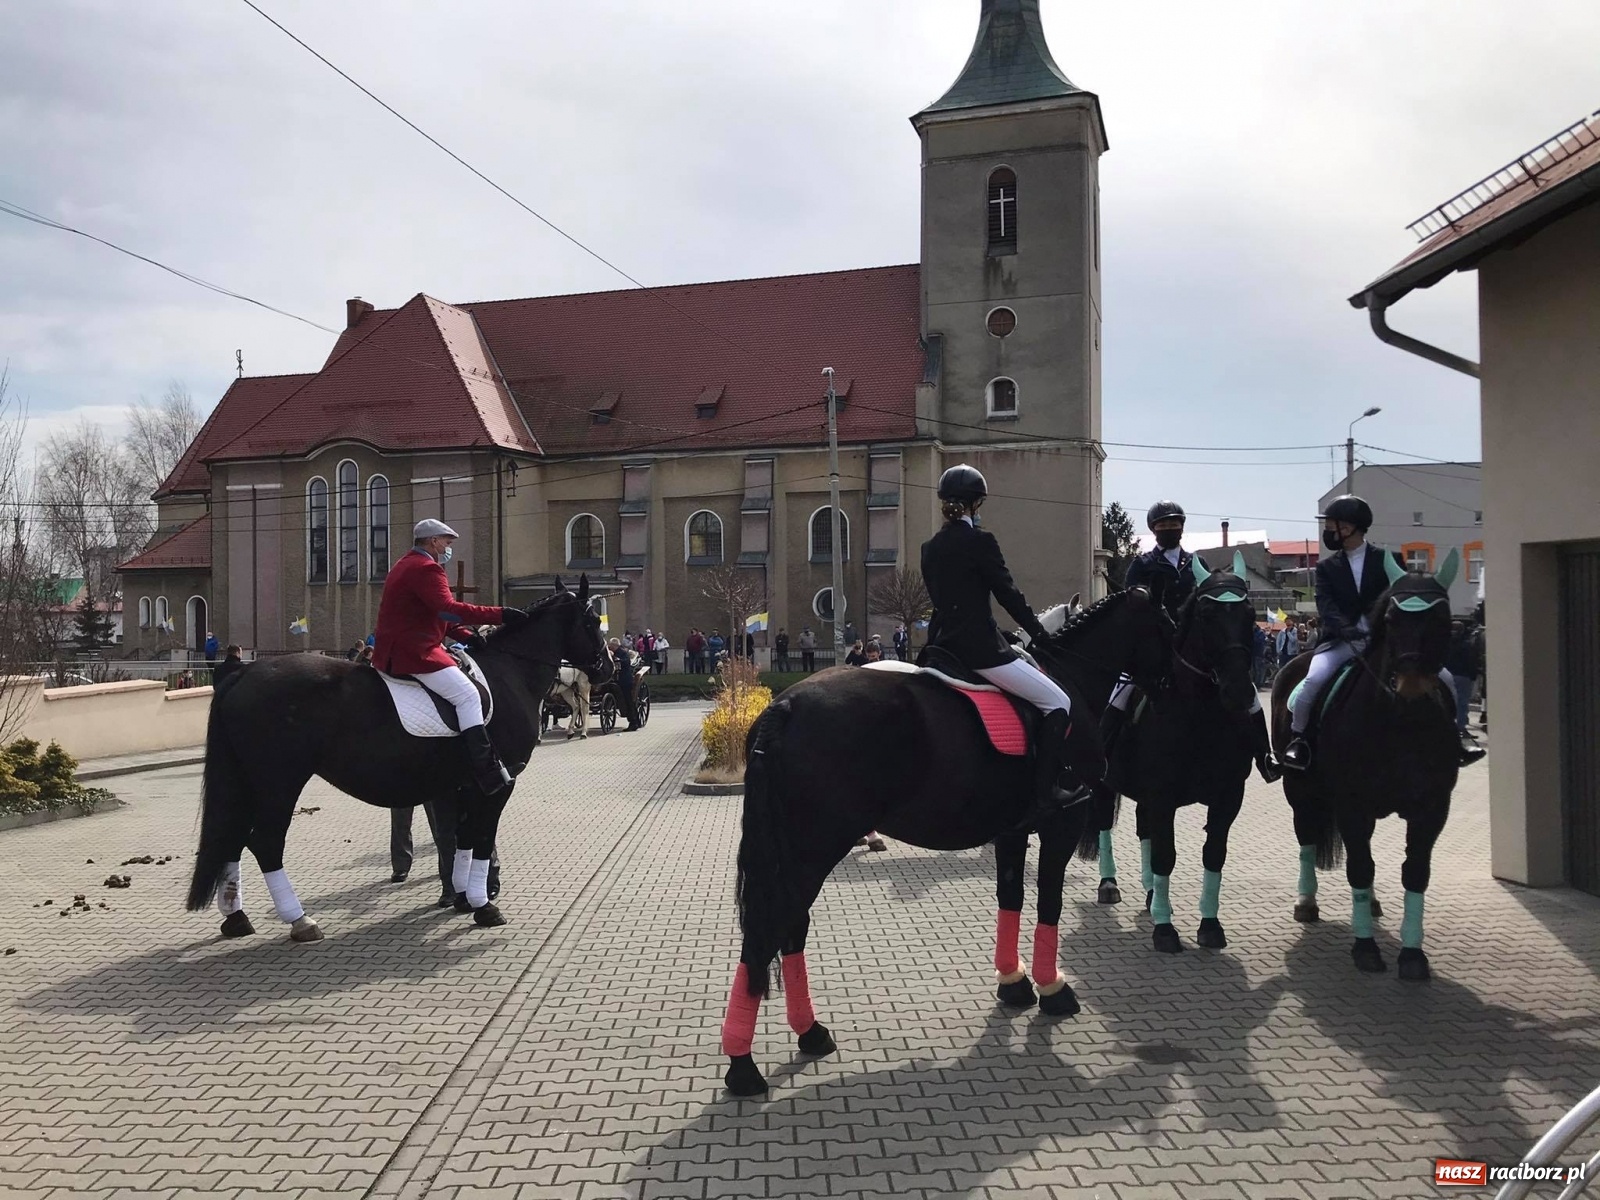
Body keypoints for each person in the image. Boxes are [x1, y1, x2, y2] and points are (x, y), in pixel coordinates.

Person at [921, 463, 1083, 816]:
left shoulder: (929, 547)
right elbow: (1008, 594)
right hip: (980, 652)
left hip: (941, 648)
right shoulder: (981, 542)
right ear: (976, 504)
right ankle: (1045, 791)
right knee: (1058, 702)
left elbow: (953, 603)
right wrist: (1040, 635)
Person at [1281, 495, 1483, 771]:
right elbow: (1326, 604)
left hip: (1385, 642)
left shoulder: (1390, 561)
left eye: (1331, 525)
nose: (1328, 531)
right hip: (1342, 641)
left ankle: (1457, 735)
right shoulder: (1327, 568)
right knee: (1314, 680)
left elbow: (1400, 601)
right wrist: (1345, 628)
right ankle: (1299, 740)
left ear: (1349, 527)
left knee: (1445, 678)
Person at [372, 518, 528, 796]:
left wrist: (467, 636)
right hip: (414, 652)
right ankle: (486, 771)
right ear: (433, 541)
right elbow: (449, 608)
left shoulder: (404, 564)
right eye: (446, 542)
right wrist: (500, 614)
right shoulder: (427, 568)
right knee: (468, 695)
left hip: (397, 648)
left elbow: (438, 614)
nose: (448, 548)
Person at [1102, 500, 1199, 745]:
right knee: (1120, 694)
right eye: (1163, 525)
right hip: (1153, 644)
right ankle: (1103, 750)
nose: (1169, 529)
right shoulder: (1142, 564)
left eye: (1174, 524)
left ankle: (1262, 753)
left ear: (1182, 527)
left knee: (1243, 691)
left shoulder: (1197, 564)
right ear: (1154, 530)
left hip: (1192, 644)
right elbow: (1130, 607)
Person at [1445, 616, 1483, 740]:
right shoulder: (1466, 644)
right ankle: (1461, 727)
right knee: (1462, 703)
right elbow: (1471, 660)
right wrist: (1473, 674)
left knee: (1448, 701)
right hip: (1463, 676)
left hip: (1447, 675)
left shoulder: (1445, 643)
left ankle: (1449, 727)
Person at [610, 637, 642, 731]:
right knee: (628, 701)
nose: (609, 647)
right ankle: (636, 721)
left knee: (628, 701)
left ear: (615, 645)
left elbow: (626, 662)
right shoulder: (613, 652)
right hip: (618, 680)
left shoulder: (623, 653)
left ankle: (633, 722)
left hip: (625, 681)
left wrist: (616, 659)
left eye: (611, 646)